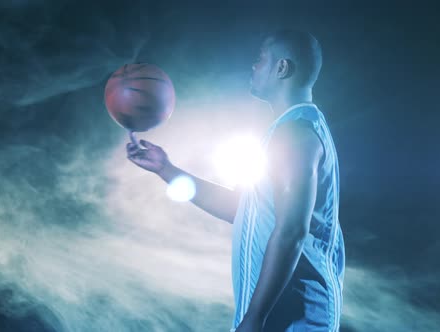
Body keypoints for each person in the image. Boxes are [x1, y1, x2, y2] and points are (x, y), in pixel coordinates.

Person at [126, 29, 345, 332]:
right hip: (278, 318)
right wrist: (167, 169)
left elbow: (292, 232)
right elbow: (243, 210)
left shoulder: (295, 134)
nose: (253, 66)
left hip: (296, 321)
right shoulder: (288, 130)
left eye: (261, 59)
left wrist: (254, 318)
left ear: (282, 68)